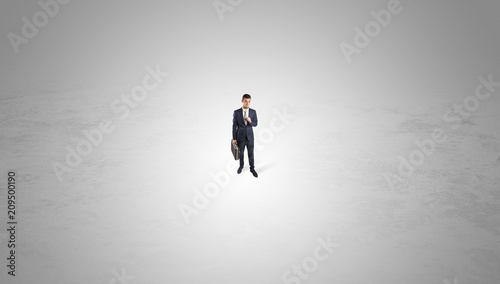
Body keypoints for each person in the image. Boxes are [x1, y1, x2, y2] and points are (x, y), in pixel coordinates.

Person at [232, 94, 258, 177]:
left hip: (250, 137)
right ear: (242, 101)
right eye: (246, 101)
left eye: (249, 101)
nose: (247, 103)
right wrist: (234, 138)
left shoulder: (253, 112)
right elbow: (234, 126)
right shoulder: (236, 112)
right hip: (240, 137)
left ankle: (252, 168)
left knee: (251, 153)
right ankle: (241, 166)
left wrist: (250, 121)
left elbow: (256, 124)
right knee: (241, 153)